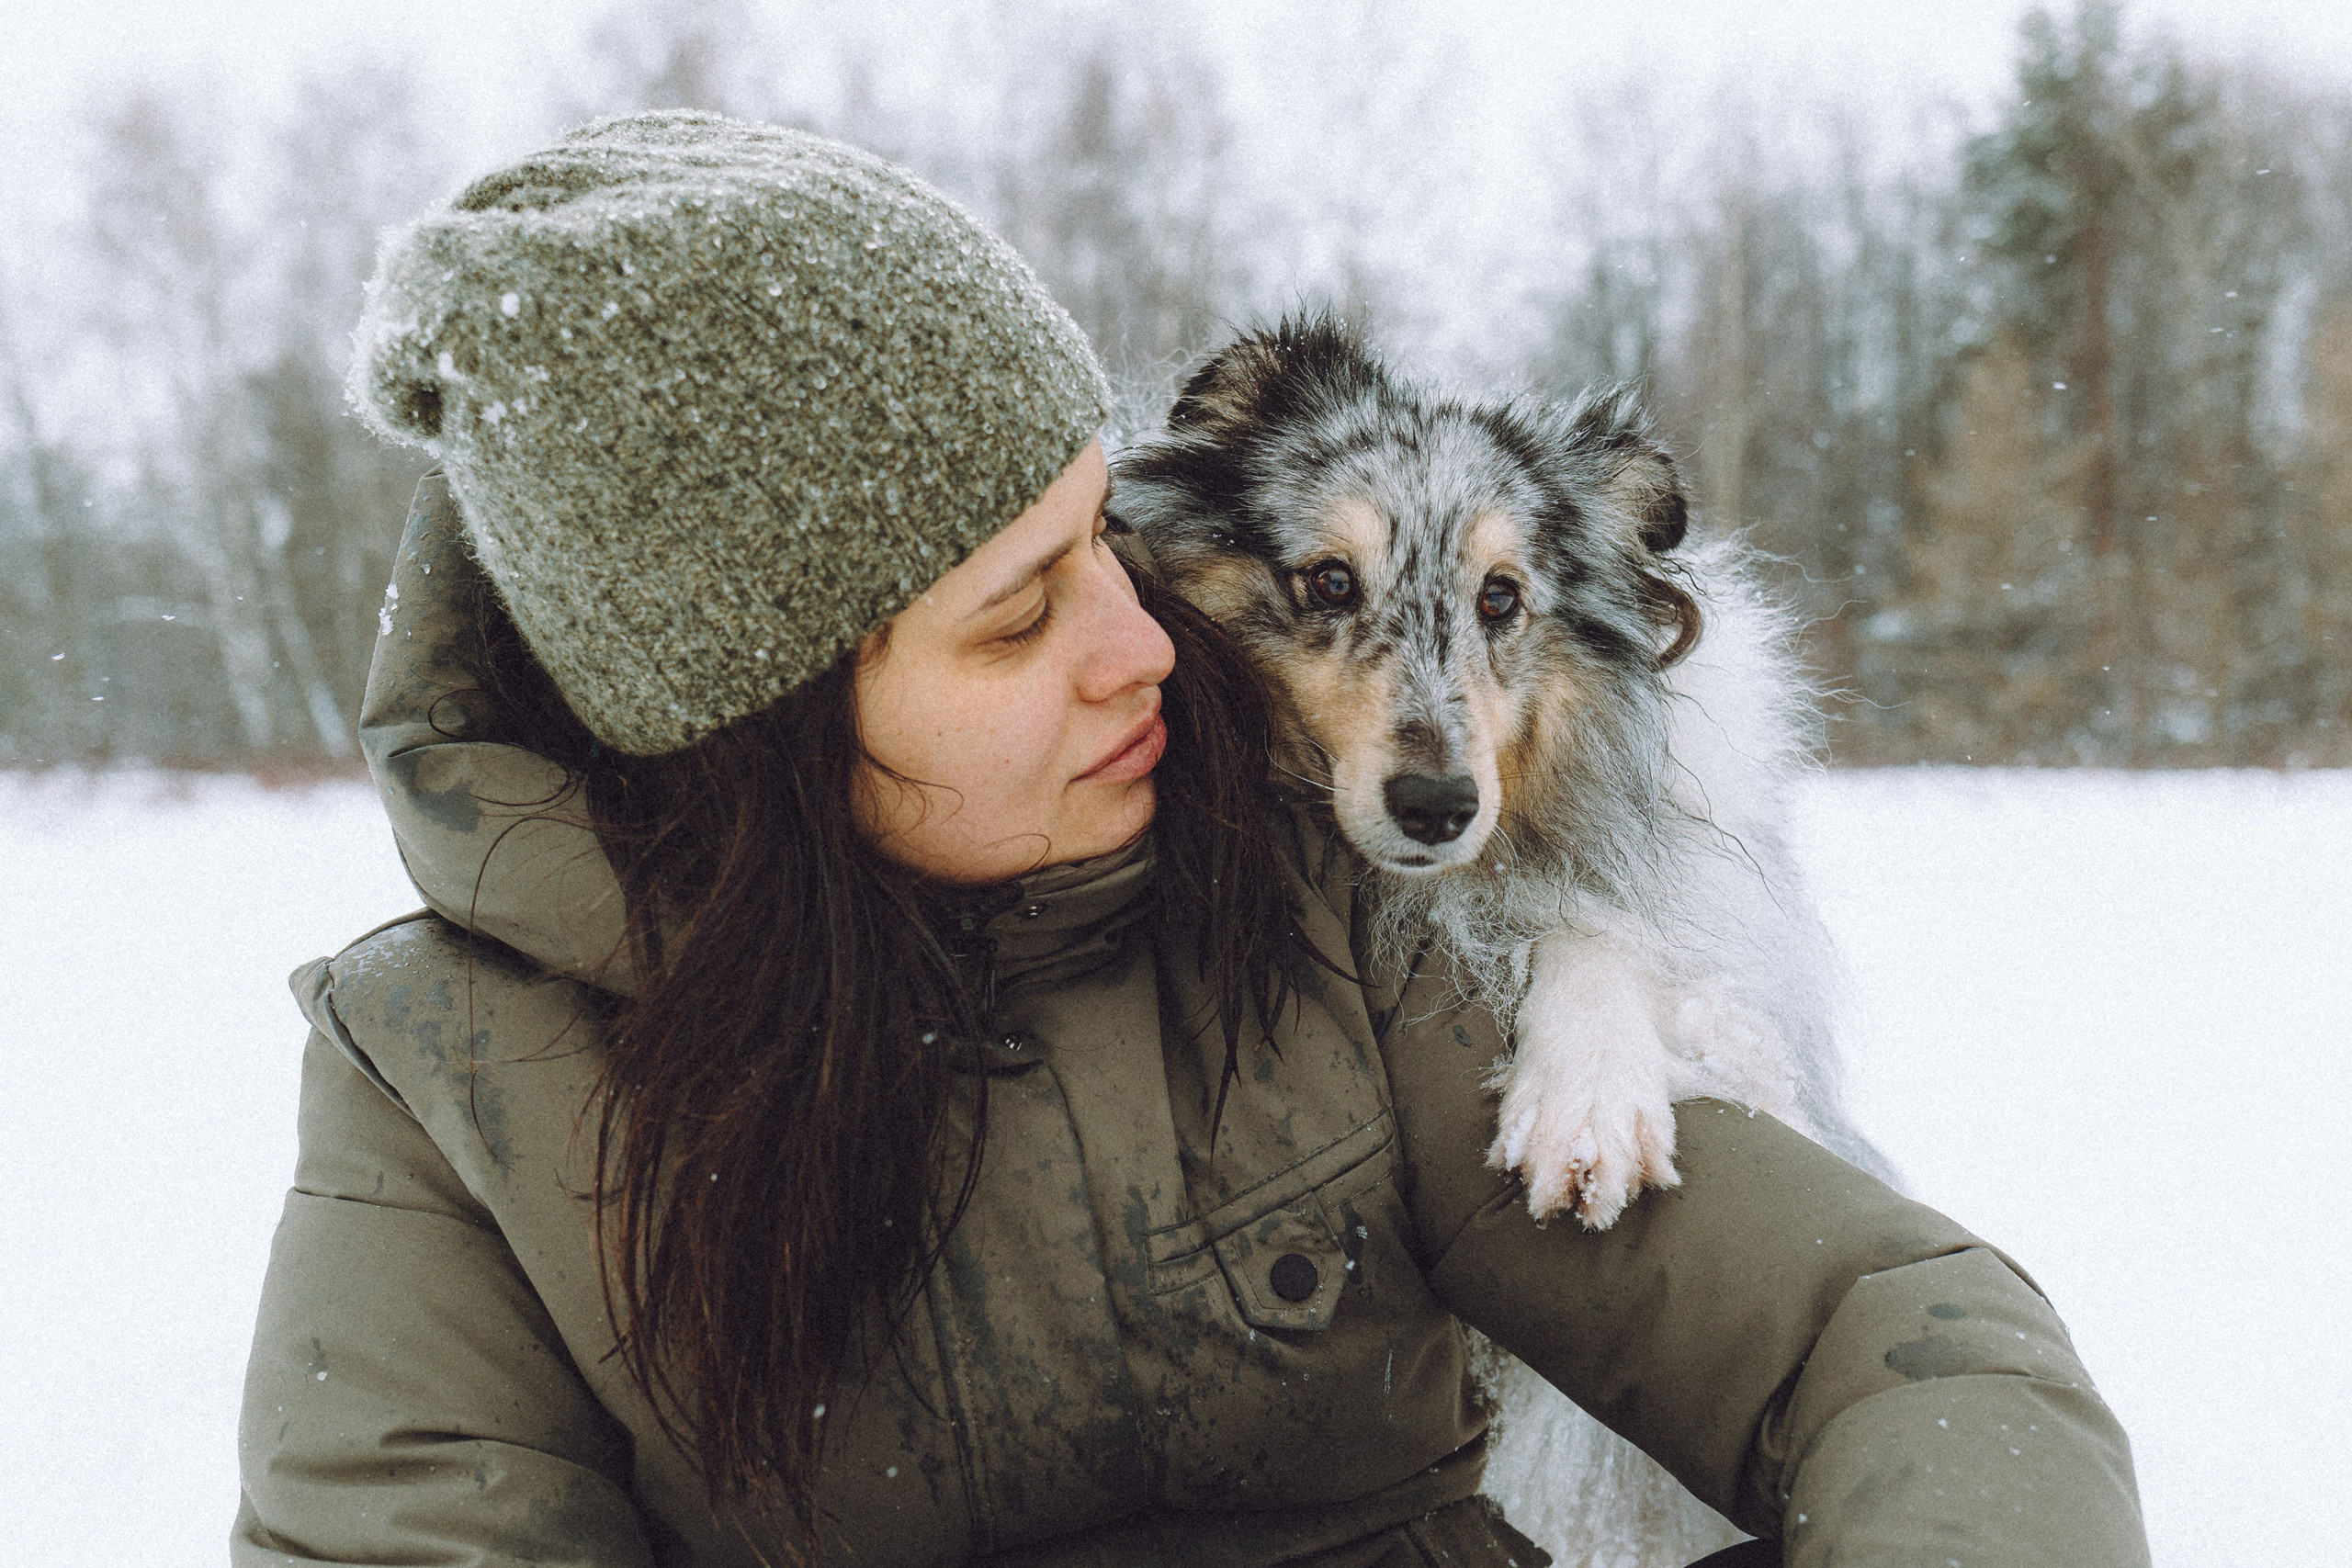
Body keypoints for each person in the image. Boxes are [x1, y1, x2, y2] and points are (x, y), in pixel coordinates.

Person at [235, 110, 2148, 1568]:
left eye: (1108, 547)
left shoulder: (1309, 901)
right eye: (1015, 612)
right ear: (763, 725)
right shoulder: (445, 1089)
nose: (1147, 643)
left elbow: (1901, 1339)